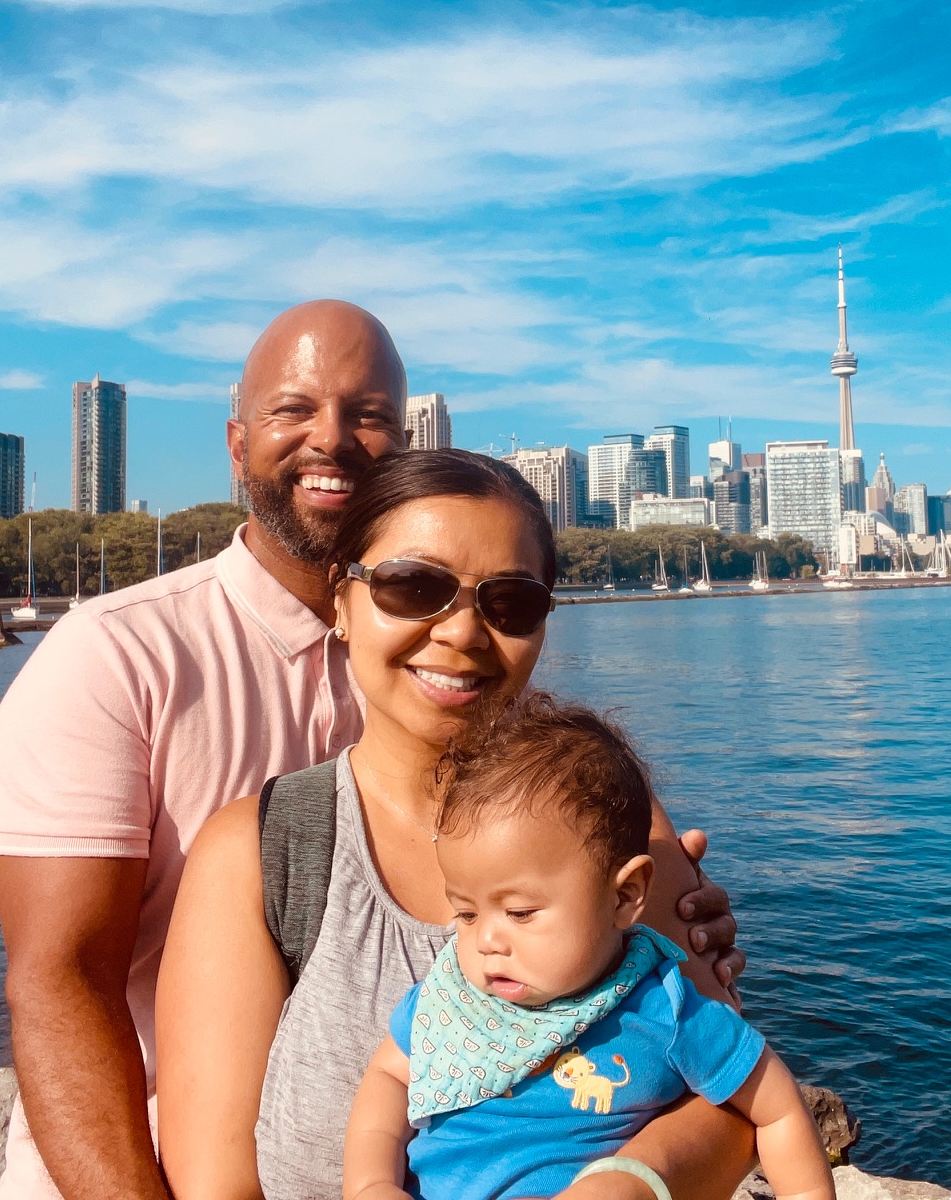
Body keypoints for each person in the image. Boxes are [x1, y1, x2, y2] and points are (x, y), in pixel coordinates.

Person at [0, 302, 742, 1200]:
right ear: (236, 441)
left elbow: (720, 1066)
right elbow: (59, 981)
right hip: (118, 1166)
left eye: (370, 415)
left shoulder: (532, 750)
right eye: (292, 409)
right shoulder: (116, 658)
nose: (331, 440)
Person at [155, 450, 759, 1200]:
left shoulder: (610, 813)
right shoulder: (262, 853)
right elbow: (215, 1183)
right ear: (340, 603)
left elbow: (741, 1098)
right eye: (414, 586)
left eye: (509, 602)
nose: (464, 632)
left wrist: (635, 1177)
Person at [343, 696, 834, 1200]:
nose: (486, 941)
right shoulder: (448, 1001)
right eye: (466, 914)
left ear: (623, 896)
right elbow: (389, 1075)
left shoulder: (666, 1011)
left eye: (520, 913)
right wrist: (371, 1183)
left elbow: (776, 1109)